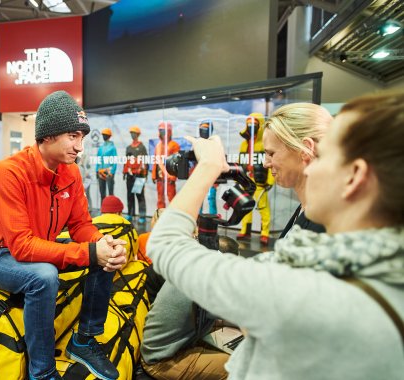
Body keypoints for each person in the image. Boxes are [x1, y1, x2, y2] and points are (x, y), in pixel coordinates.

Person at [147, 90, 404, 380]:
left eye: (323, 156)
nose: (311, 164)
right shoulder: (373, 271)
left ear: (355, 175)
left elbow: (165, 244)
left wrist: (207, 167)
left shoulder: (312, 289)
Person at [0, 90, 127, 380]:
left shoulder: (71, 173)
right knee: (43, 276)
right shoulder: (7, 173)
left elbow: (80, 225)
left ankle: (84, 339)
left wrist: (102, 244)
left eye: (82, 137)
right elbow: (21, 246)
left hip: (37, 246)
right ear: (48, 135)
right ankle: (41, 373)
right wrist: (89, 251)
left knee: (104, 253)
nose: (79, 147)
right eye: (73, 136)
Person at [263, 103, 333, 237]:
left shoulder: (323, 222)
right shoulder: (307, 208)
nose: (266, 164)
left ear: (305, 149)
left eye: (271, 154)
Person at [236, 113, 274, 245]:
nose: (251, 127)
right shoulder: (243, 144)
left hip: (260, 182)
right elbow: (240, 162)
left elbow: (270, 162)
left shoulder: (265, 144)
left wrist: (270, 180)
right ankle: (245, 230)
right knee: (245, 207)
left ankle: (265, 233)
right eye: (249, 124)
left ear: (260, 126)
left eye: (254, 124)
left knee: (263, 208)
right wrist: (237, 178)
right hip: (246, 182)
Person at [152, 122, 180, 209]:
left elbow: (177, 163)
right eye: (160, 131)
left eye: (163, 131)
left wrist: (173, 177)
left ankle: (173, 217)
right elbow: (156, 161)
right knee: (160, 198)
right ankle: (160, 216)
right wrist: (154, 175)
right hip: (160, 177)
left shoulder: (174, 145)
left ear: (169, 132)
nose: (162, 133)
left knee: (172, 198)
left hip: (169, 177)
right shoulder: (158, 146)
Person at [123, 126, 148, 224]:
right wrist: (125, 172)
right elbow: (126, 161)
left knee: (139, 195)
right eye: (131, 133)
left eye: (134, 133)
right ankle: (130, 214)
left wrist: (144, 174)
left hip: (139, 175)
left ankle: (142, 215)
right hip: (129, 175)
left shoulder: (142, 147)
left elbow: (145, 162)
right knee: (130, 195)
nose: (132, 135)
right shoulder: (128, 148)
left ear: (138, 134)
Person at [95, 128, 117, 205]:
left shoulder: (112, 147)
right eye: (103, 135)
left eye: (105, 135)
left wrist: (112, 172)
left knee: (110, 193)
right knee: (102, 193)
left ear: (109, 136)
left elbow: (114, 161)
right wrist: (96, 170)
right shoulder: (101, 147)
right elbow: (98, 159)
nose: (104, 136)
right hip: (101, 172)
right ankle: (103, 210)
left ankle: (111, 211)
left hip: (109, 172)